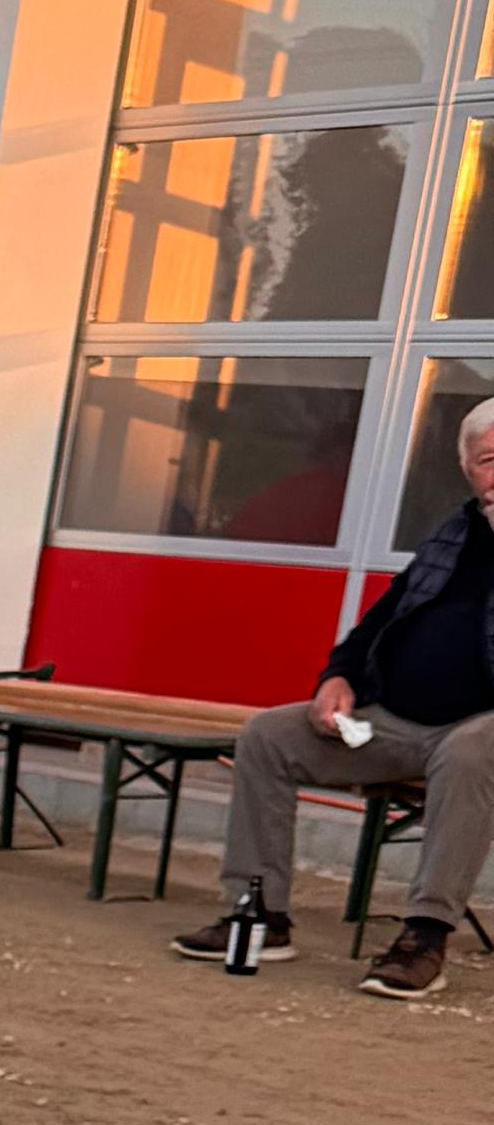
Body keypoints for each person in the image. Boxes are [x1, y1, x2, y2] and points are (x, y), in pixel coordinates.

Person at [170, 397, 494, 1003]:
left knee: (471, 751)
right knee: (268, 735)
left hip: (481, 732)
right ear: (466, 469)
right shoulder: (451, 535)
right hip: (397, 724)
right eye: (490, 460)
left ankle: (425, 937)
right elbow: (383, 618)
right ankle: (259, 914)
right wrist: (338, 677)